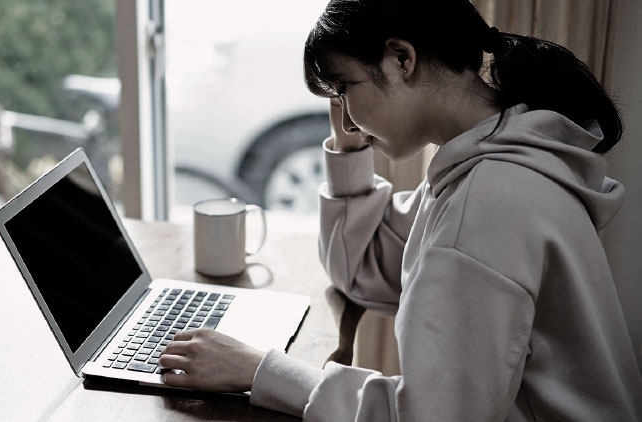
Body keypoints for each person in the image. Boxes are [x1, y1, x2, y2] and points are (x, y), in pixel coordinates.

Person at [160, 0, 642, 419]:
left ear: (401, 58)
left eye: (344, 88)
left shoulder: (485, 204)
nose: (345, 116)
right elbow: (361, 268)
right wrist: (350, 146)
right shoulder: (494, 160)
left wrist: (258, 370)